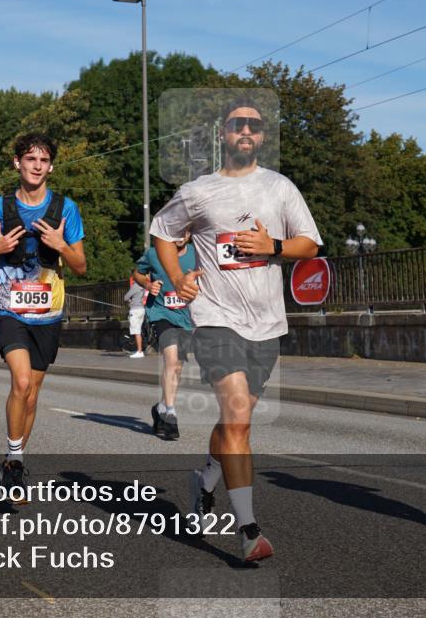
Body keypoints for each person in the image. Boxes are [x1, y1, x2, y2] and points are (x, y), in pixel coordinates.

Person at [151, 98, 322, 562]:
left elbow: (309, 244)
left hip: (267, 323)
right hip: (214, 319)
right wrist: (178, 278)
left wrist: (274, 245)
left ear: (262, 136)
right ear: (222, 133)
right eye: (236, 124)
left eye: (254, 125)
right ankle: (248, 530)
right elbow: (162, 233)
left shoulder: (280, 188)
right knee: (241, 419)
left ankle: (204, 479)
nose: (246, 131)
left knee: (233, 422)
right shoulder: (198, 191)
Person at [0, 133, 86, 498]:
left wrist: (61, 245)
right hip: (8, 309)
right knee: (21, 382)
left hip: (47, 312)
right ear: (17, 164)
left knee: (32, 395)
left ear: (50, 166)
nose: (36, 166)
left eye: (43, 160)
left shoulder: (65, 209)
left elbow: (81, 266)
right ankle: (16, 459)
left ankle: (13, 461)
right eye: (29, 159)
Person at [133, 231, 196, 439]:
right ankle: (170, 414)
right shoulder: (153, 253)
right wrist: (148, 285)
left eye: (184, 232)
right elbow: (138, 273)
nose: (180, 236)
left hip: (186, 316)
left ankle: (160, 407)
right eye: (175, 231)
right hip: (161, 313)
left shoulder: (197, 253)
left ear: (189, 234)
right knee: (171, 359)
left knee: (177, 366)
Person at [123, 276, 147, 359]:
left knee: (136, 331)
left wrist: (130, 301)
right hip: (141, 309)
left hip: (135, 310)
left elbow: (126, 297)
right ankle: (139, 350)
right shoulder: (143, 286)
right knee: (138, 331)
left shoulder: (136, 286)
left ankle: (139, 351)